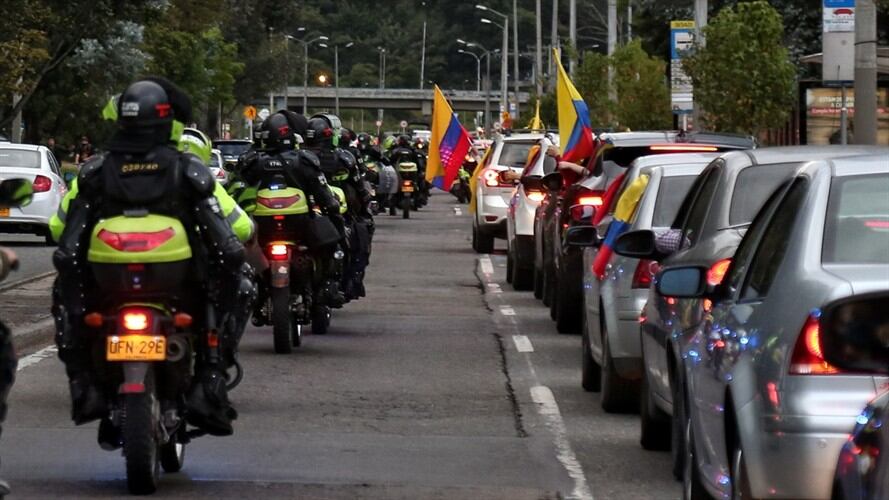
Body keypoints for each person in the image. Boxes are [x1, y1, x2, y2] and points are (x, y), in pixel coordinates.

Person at [50, 77, 249, 438]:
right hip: (179, 285)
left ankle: (83, 383)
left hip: (108, 286)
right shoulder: (188, 169)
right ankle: (211, 378)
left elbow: (61, 233)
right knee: (228, 283)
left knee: (65, 289)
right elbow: (231, 236)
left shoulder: (95, 171)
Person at [236, 110, 346, 306]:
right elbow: (322, 191)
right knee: (333, 241)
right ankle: (328, 285)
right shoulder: (304, 160)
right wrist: (332, 207)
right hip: (299, 227)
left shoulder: (252, 161)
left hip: (263, 229)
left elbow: (236, 190)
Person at [304, 114, 373, 300]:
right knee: (359, 237)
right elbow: (361, 190)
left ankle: (349, 281)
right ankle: (352, 282)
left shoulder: (296, 158)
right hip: (319, 214)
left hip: (309, 214)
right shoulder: (344, 158)